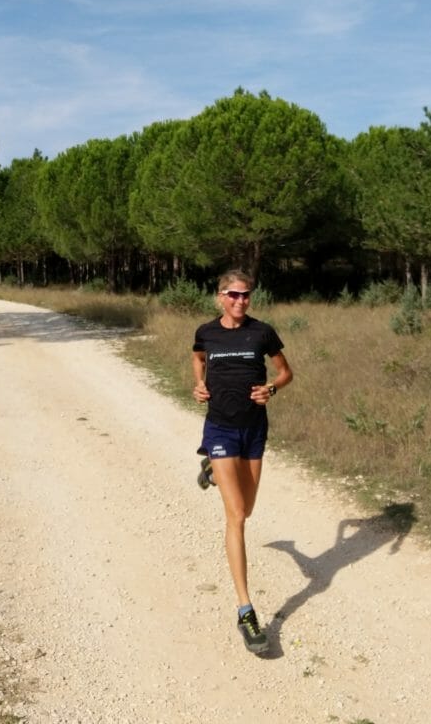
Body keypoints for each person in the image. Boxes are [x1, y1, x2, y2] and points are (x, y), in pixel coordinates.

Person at [192, 269, 293, 653]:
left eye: (246, 295)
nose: (240, 301)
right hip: (220, 429)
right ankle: (245, 610)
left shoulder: (262, 332)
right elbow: (198, 359)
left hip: (254, 431)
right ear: (220, 296)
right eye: (233, 295)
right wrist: (199, 385)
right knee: (235, 516)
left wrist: (270, 388)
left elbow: (286, 372)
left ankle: (214, 472)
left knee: (247, 509)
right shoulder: (206, 332)